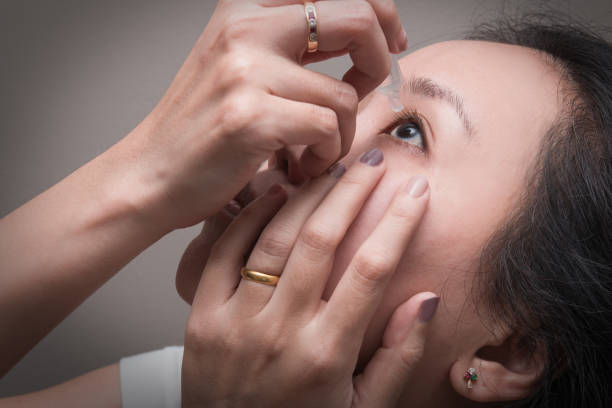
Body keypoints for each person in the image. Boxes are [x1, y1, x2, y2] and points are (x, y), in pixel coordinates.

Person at [1, 4, 611, 408]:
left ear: (509, 352)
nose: (304, 138)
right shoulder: (198, 387)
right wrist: (143, 175)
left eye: (408, 131)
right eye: (354, 100)